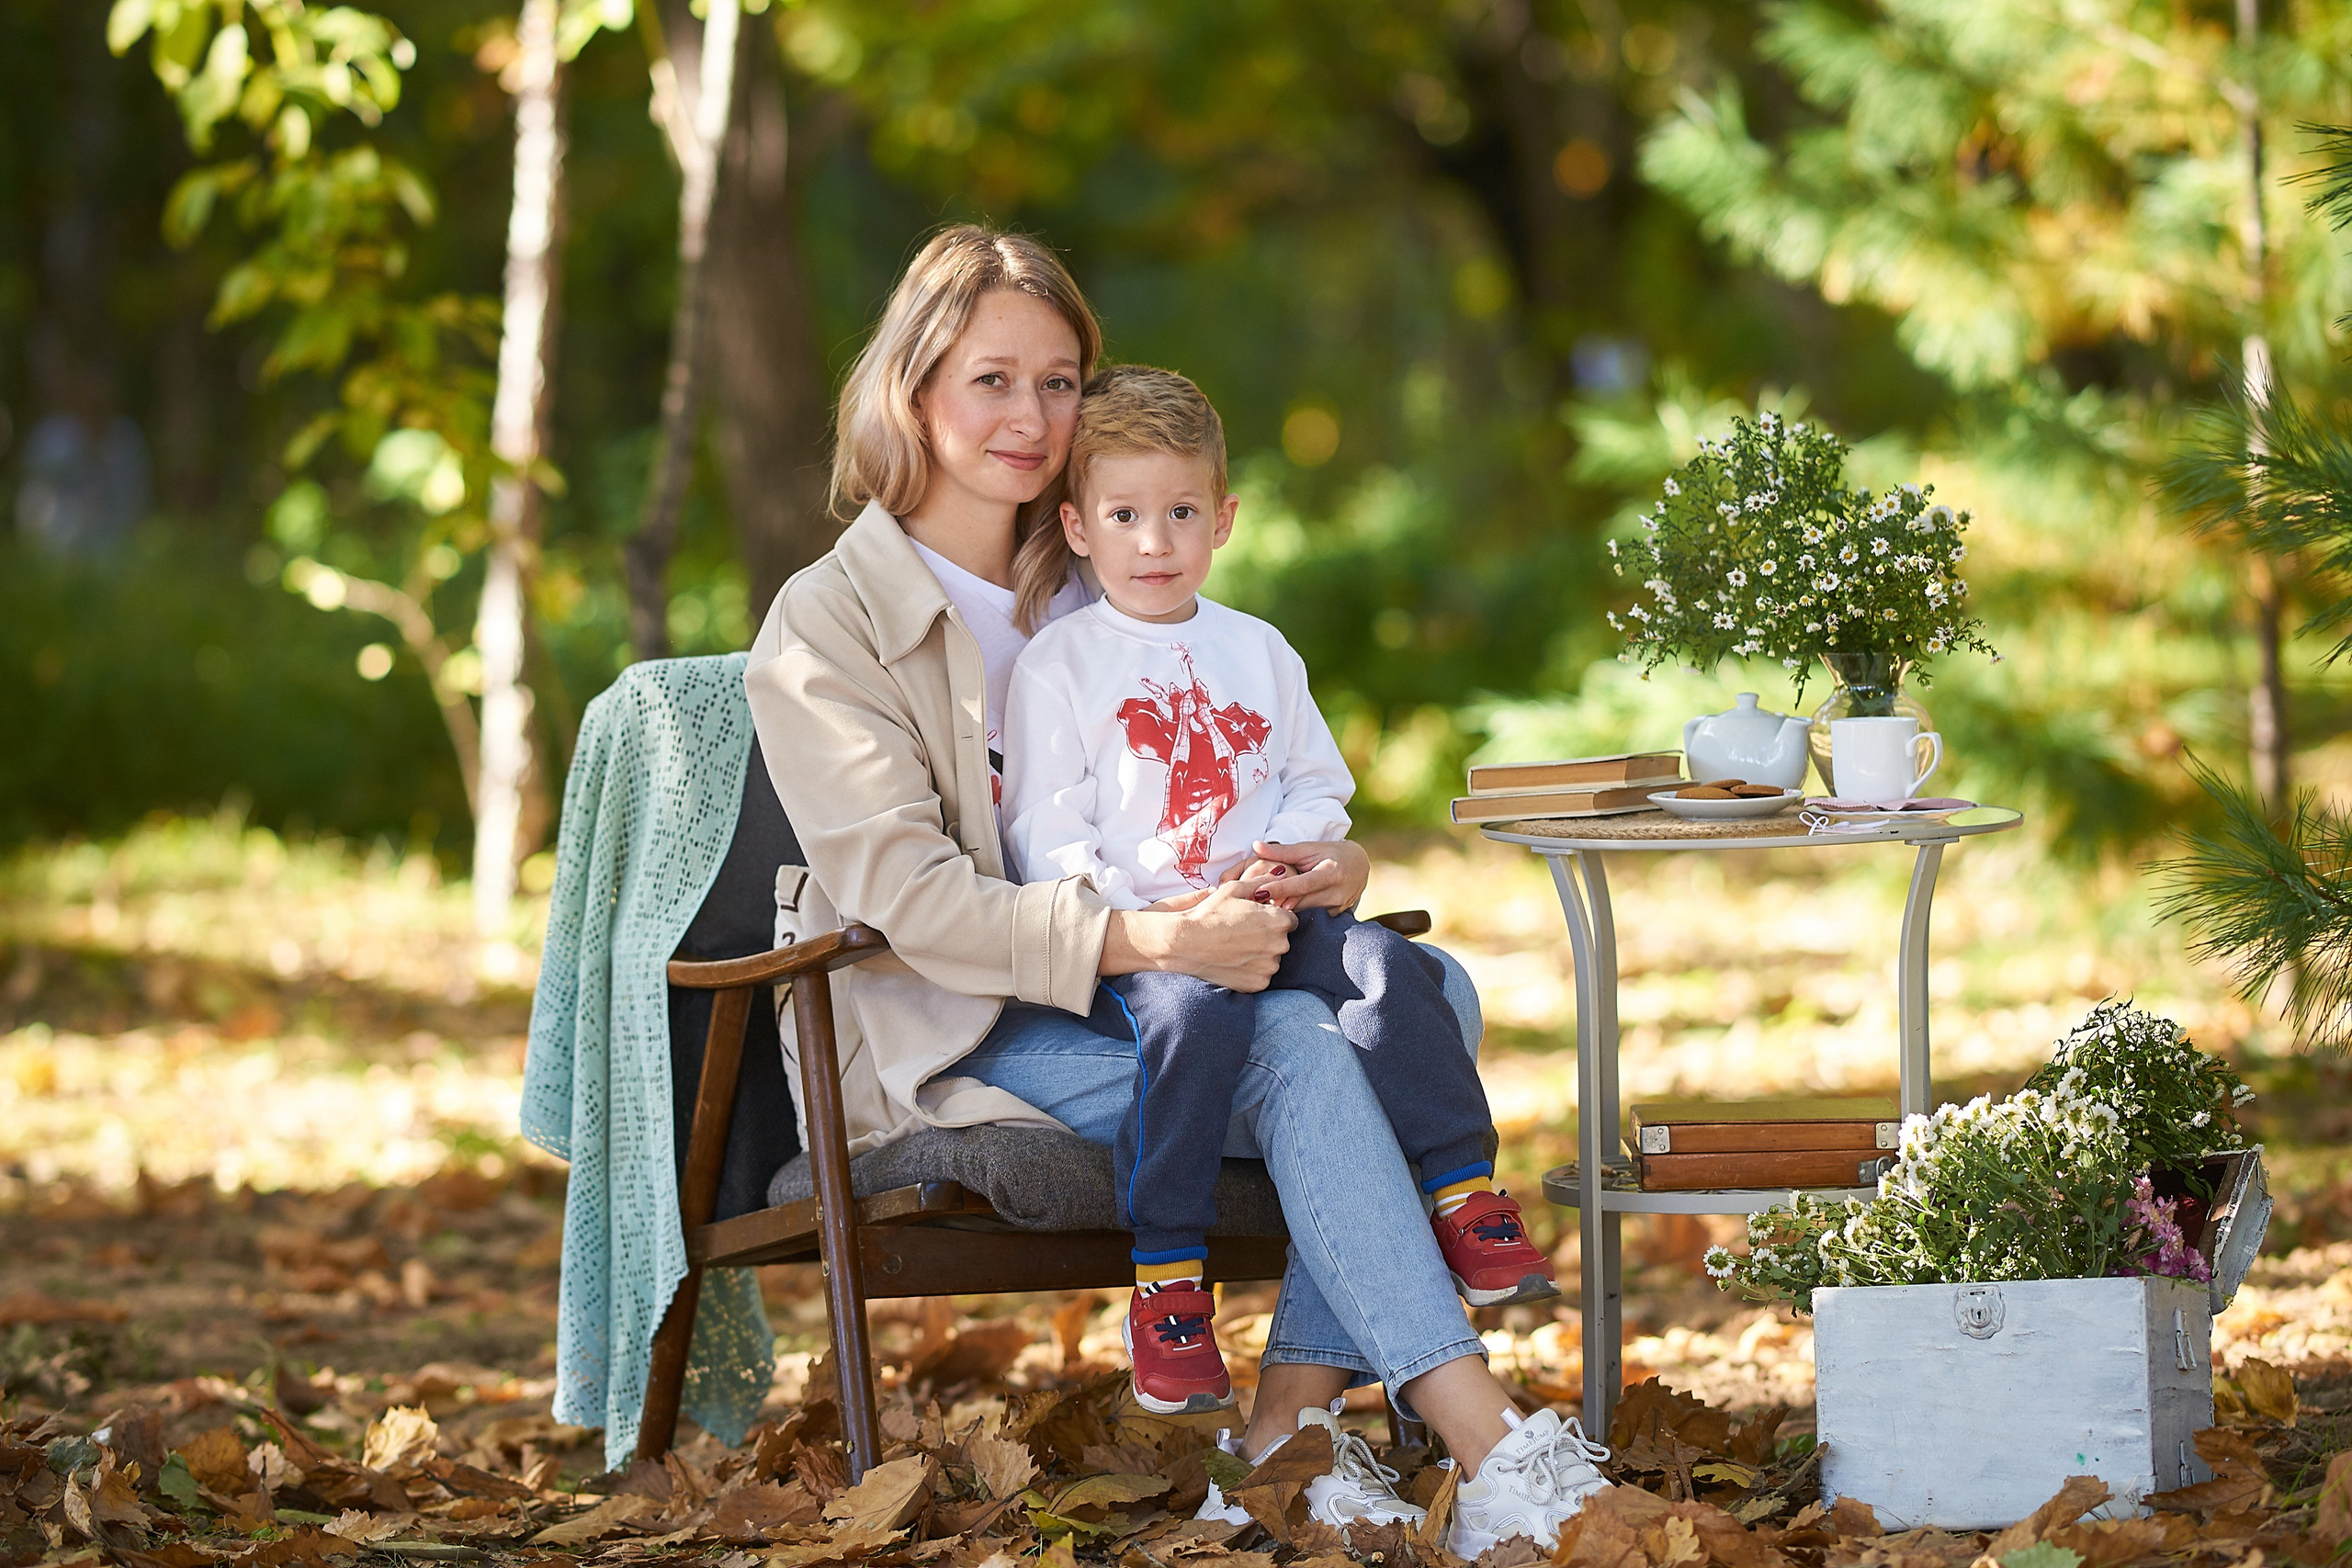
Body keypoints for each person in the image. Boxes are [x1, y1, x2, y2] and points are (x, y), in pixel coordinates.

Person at [743, 224, 1609, 1555]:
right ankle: (1488, 1439)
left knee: (1431, 991)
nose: (1031, 415)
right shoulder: (828, 622)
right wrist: (1158, 935)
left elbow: (1227, 775)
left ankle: (1282, 1445)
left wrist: (1334, 864)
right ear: (912, 388)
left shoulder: (1097, 569)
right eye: (991, 379)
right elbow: (907, 898)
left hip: (1153, 977)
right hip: (958, 1023)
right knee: (1300, 1045)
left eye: (1059, 378)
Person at [999, 365, 1558, 1421]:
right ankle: (1167, 1278)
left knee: (1398, 972)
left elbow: (1313, 782)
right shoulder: (1059, 666)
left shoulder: (1257, 650)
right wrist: (1155, 923)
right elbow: (1045, 830)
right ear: (1076, 527)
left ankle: (1462, 1191)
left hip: (1277, 910)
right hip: (1156, 938)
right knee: (1196, 1023)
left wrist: (1309, 858)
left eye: (1179, 513)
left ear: (1224, 518)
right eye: (1124, 516)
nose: (1153, 542)